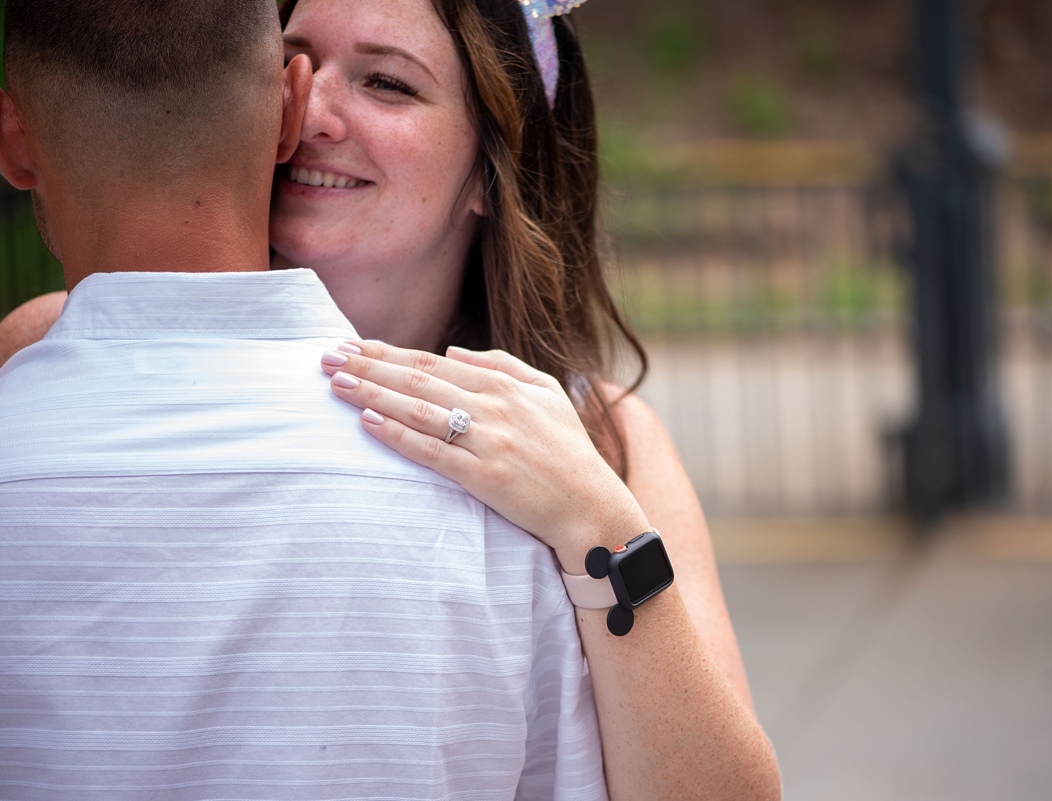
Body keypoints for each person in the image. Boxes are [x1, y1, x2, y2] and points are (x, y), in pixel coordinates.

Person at [0, 0, 783, 798]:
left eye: (386, 83)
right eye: (295, 62)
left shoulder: (595, 436)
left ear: (490, 166)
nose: (314, 110)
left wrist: (597, 524)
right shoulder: (56, 343)